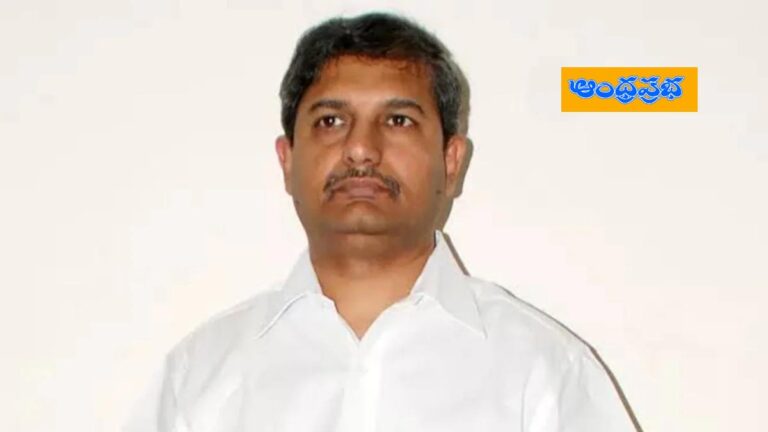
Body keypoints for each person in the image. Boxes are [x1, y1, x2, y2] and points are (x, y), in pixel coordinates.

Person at [125, 12, 638, 432]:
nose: (361, 149)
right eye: (331, 121)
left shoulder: (543, 372)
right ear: (287, 160)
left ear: (451, 161)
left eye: (398, 120)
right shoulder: (200, 377)